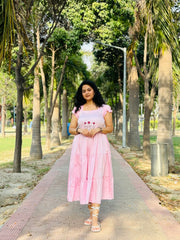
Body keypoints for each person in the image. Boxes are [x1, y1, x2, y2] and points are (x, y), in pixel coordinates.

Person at [67, 80, 114, 233]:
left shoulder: (104, 109)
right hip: (81, 148)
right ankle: (91, 214)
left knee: (96, 177)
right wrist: (80, 131)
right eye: (83, 91)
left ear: (94, 90)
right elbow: (72, 129)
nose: (86, 92)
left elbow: (110, 128)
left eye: (89, 89)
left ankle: (95, 219)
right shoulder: (78, 110)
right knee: (85, 177)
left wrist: (99, 129)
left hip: (98, 146)